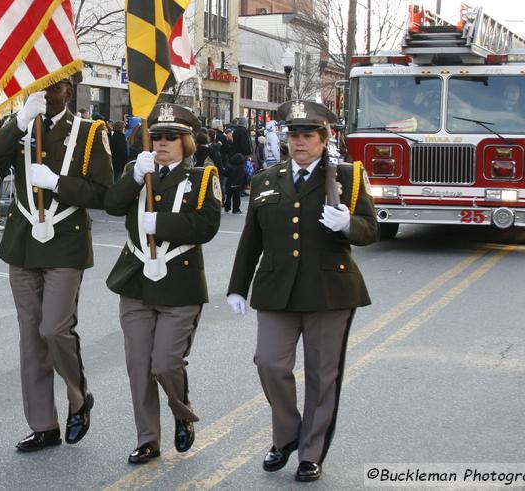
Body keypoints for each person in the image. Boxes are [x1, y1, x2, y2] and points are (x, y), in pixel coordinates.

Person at [226, 100, 378, 483]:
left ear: (324, 139)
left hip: (329, 290)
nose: (299, 142)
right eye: (294, 135)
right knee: (269, 363)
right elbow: (251, 240)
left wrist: (349, 224)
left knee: (322, 376)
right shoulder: (265, 179)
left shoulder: (347, 176)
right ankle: (287, 434)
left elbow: (370, 229)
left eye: (308, 135)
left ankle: (311, 452)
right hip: (276, 288)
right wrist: (237, 287)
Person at [0, 73, 112, 452]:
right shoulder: (20, 126)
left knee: (55, 329)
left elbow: (103, 193)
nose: (44, 94)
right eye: (38, 86)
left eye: (52, 86)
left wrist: (58, 183)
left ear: (69, 90)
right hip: (23, 245)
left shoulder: (89, 132)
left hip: (65, 244)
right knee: (31, 338)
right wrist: (19, 122)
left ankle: (79, 396)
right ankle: (43, 424)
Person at [103, 103, 221, 464]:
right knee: (139, 366)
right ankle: (148, 438)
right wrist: (134, 178)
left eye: (171, 136)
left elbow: (207, 225)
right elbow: (110, 205)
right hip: (136, 280)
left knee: (166, 364)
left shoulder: (202, 177)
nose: (162, 143)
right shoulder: (136, 169)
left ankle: (182, 414)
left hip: (178, 283)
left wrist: (164, 224)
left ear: (187, 142)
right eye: (156, 136)